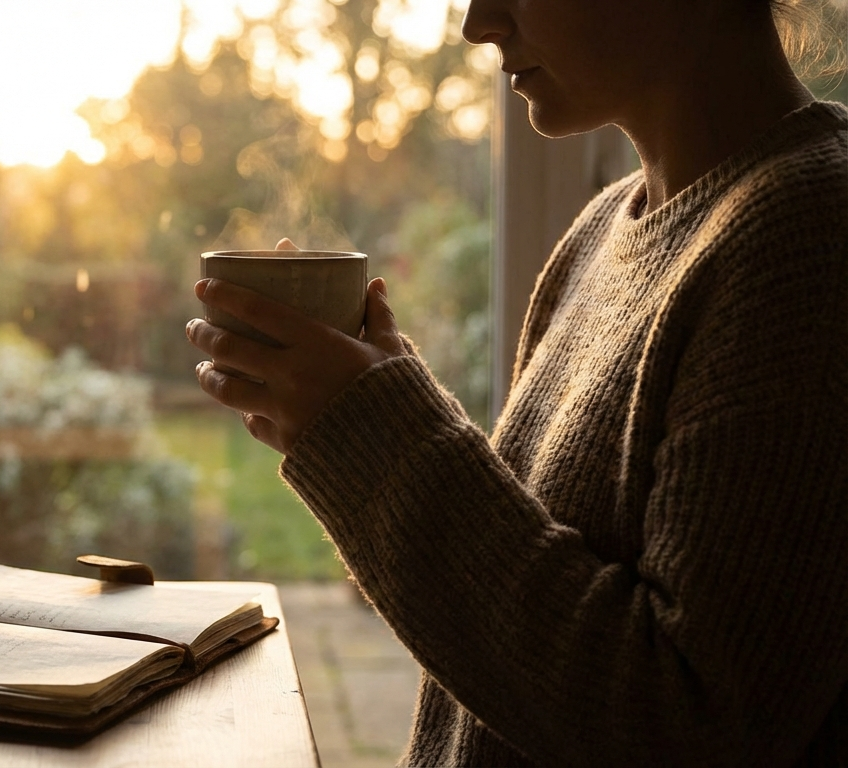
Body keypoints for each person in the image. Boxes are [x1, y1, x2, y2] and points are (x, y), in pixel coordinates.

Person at [186, 0, 848, 764]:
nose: (479, 22)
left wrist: (375, 438)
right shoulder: (603, 231)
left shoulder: (813, 237)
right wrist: (375, 403)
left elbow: (688, 720)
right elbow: (522, 627)